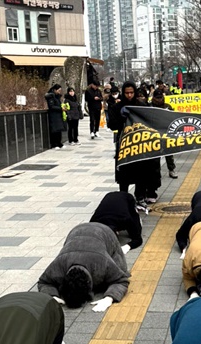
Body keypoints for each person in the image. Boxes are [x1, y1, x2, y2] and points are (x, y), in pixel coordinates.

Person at [37, 222, 130, 312]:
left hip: (106, 233)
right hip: (76, 231)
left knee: (122, 270)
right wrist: (52, 296)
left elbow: (122, 280)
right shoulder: (59, 264)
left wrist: (109, 298)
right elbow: (43, 281)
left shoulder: (102, 263)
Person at [108, 81, 159, 211]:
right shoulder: (117, 107)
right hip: (124, 144)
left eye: (131, 92)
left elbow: (150, 121)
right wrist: (121, 118)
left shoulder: (142, 106)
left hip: (139, 144)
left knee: (141, 172)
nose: (129, 95)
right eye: (127, 93)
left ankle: (140, 198)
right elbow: (112, 125)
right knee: (123, 173)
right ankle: (123, 198)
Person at [152, 89, 178, 179]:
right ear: (153, 98)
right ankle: (156, 172)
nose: (159, 100)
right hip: (154, 134)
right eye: (157, 98)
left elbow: (173, 118)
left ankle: (171, 169)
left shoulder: (168, 106)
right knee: (155, 155)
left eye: (160, 98)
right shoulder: (150, 107)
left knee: (169, 153)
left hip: (166, 133)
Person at [45, 84, 67, 150]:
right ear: (55, 90)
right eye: (59, 90)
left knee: (59, 130)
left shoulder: (57, 97)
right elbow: (51, 106)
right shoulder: (51, 96)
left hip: (58, 115)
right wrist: (60, 109)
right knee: (54, 130)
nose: (60, 91)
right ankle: (54, 144)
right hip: (54, 115)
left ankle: (59, 143)